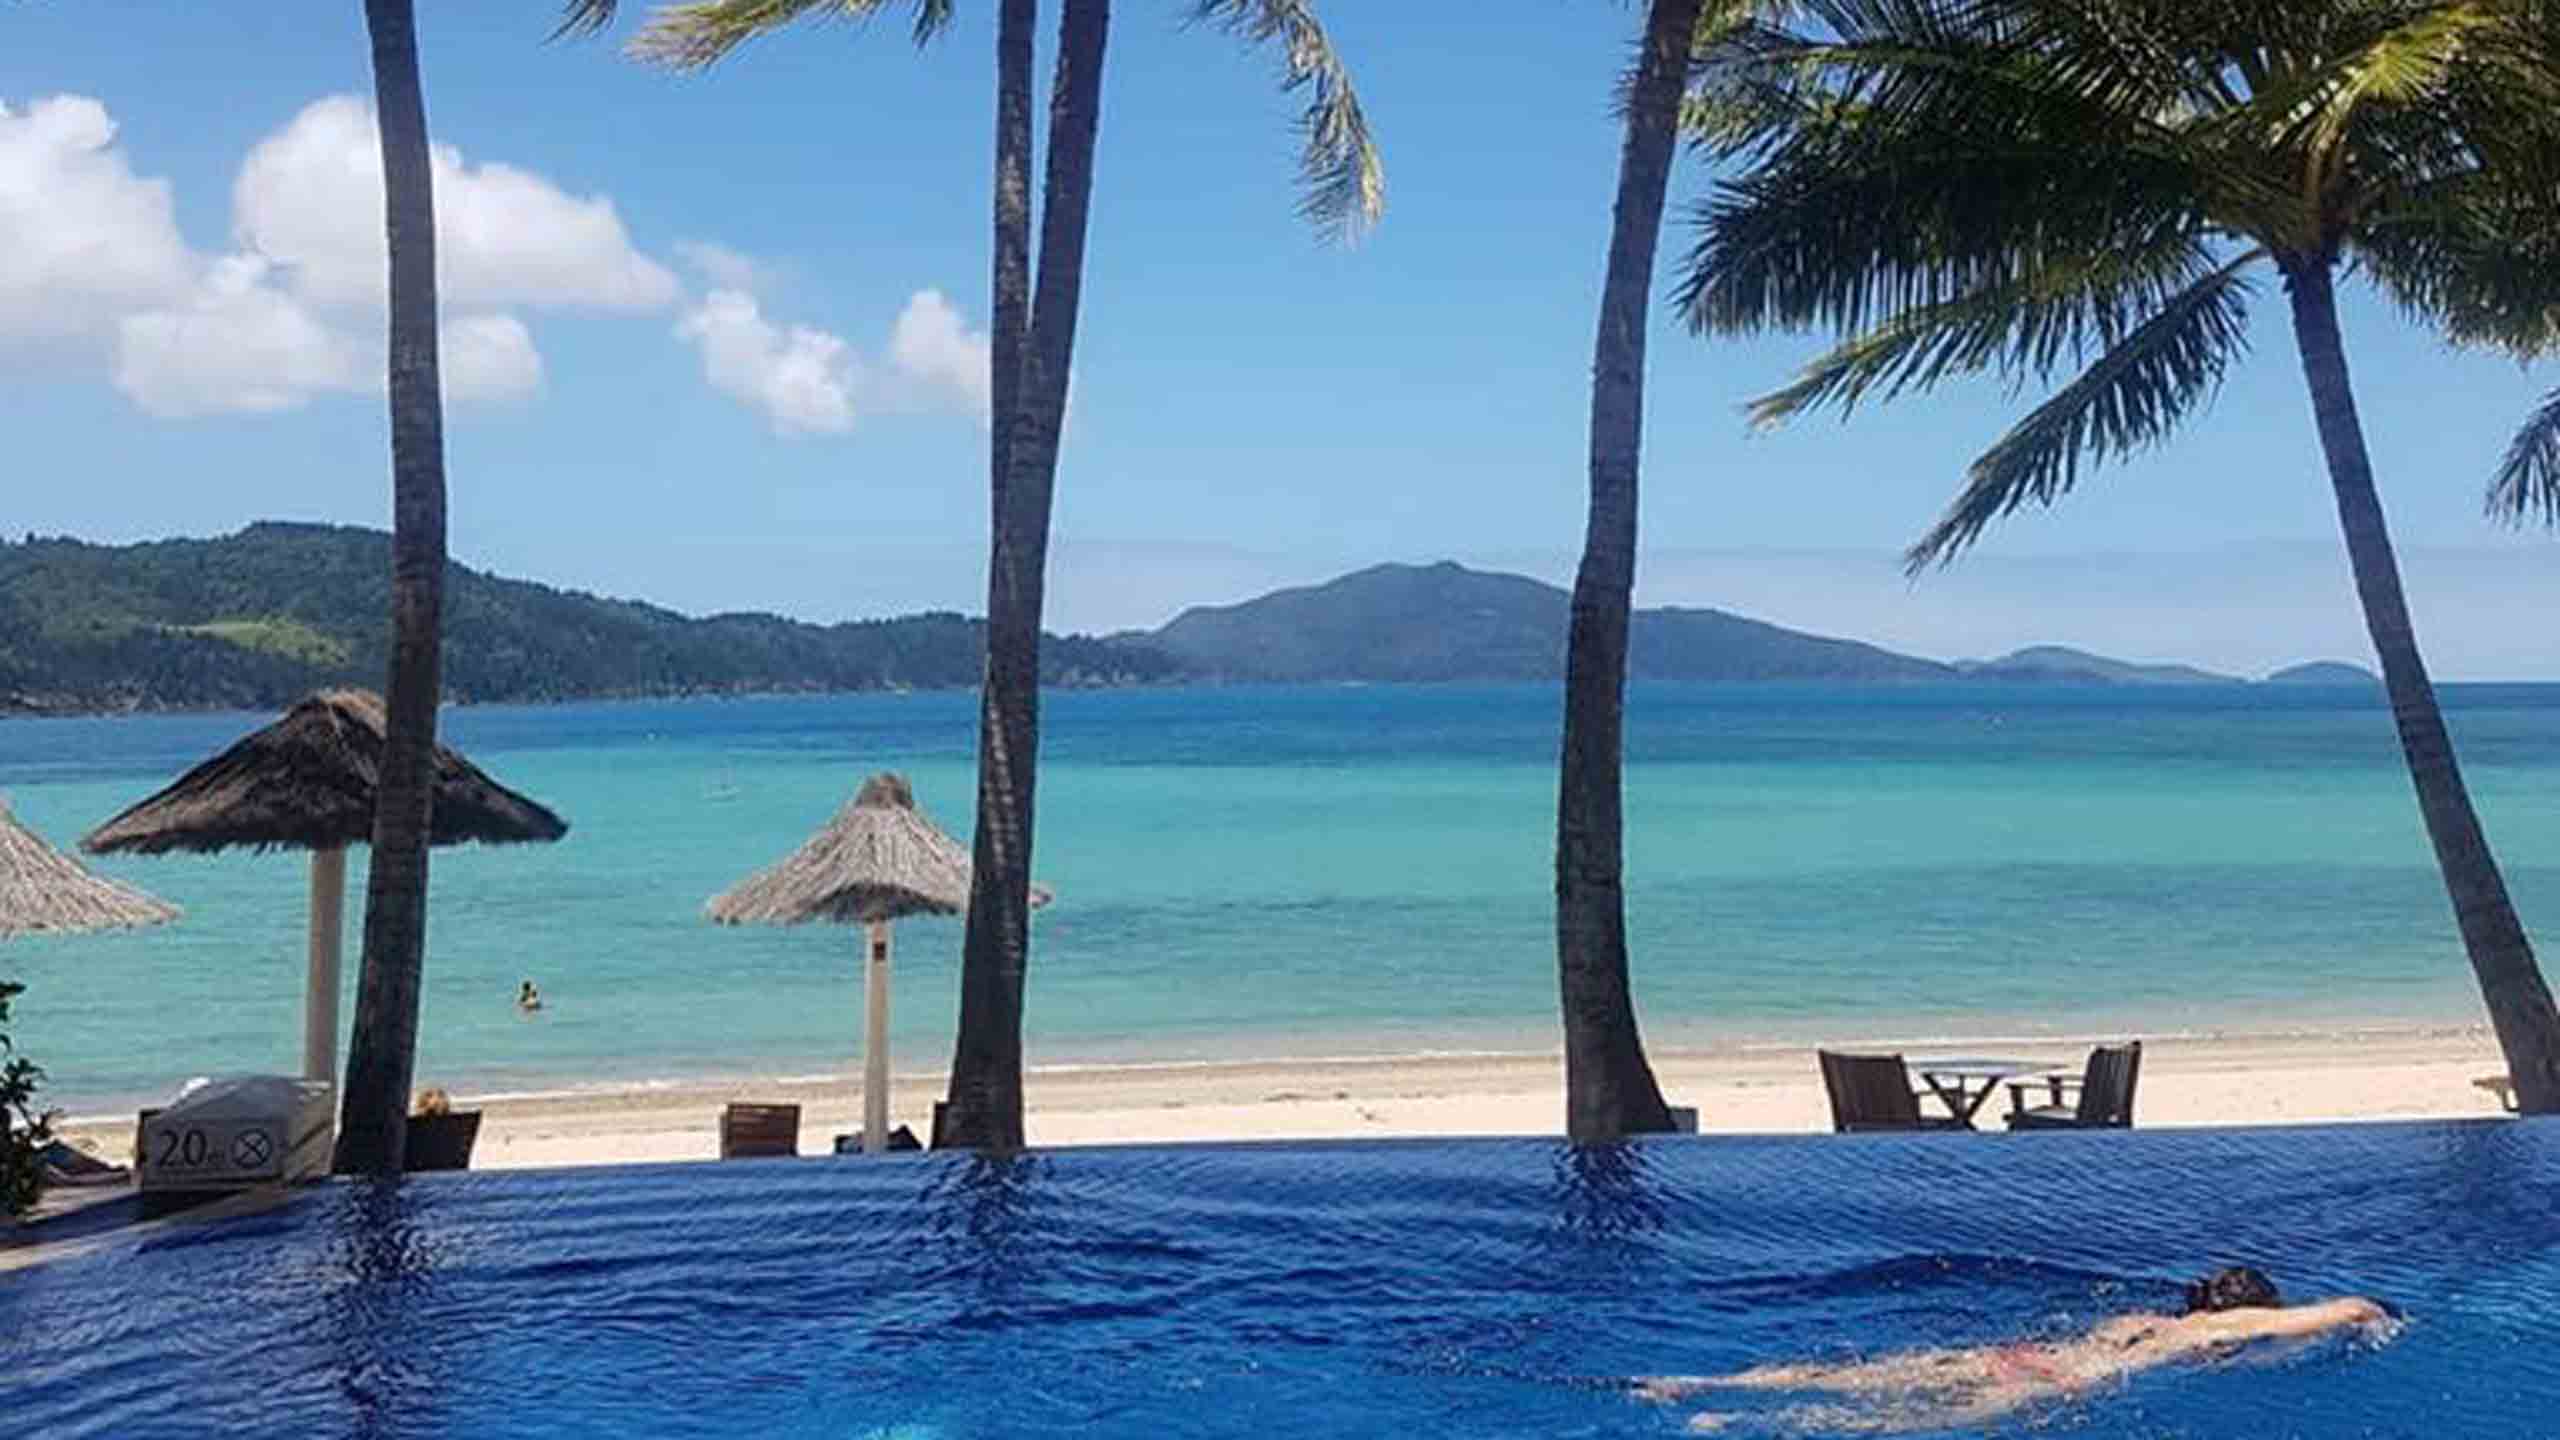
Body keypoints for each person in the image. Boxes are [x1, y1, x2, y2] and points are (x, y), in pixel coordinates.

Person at [1635, 1267, 2391, 1434]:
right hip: (2056, 1381)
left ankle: (1700, 1383)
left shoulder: (2141, 1318)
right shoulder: (2215, 1330)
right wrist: (2381, 1319)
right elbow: (2353, 1307)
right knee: (1903, 1422)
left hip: (2016, 1351)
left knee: (1857, 1375)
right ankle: (1735, 1426)